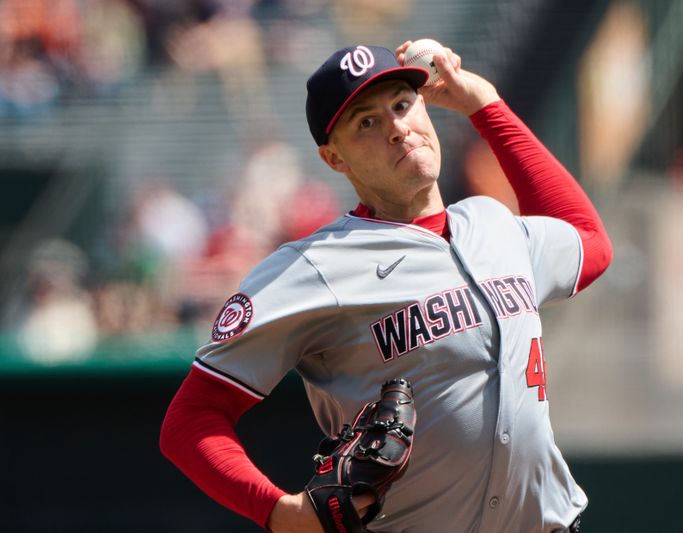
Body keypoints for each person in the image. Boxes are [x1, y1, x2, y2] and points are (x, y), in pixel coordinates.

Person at [160, 41, 613, 533]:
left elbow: (591, 243)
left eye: (402, 104)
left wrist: (485, 104)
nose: (397, 128)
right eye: (367, 123)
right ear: (334, 158)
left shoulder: (493, 224)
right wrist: (280, 513)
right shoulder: (313, 267)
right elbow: (190, 421)